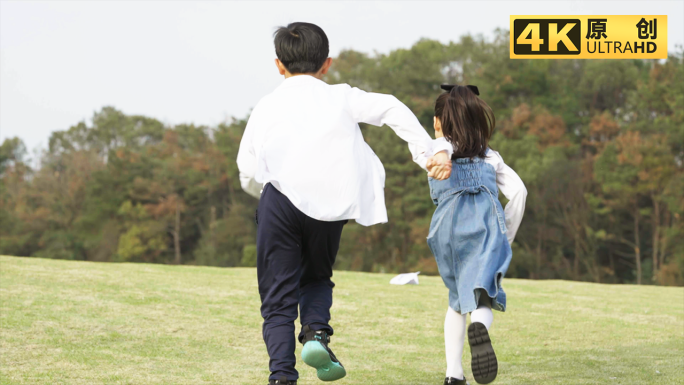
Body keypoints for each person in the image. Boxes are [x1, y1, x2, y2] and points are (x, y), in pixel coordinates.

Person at [236, 22, 454, 385]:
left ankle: (282, 376)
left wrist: (260, 194)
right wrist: (427, 152)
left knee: (278, 298)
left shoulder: (267, 105)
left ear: (279, 65)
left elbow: (246, 167)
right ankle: (317, 334)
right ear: (327, 64)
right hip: (329, 205)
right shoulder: (341, 95)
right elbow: (390, 108)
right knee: (317, 276)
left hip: (278, 203)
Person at [426, 84, 527, 385]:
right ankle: (479, 326)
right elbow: (519, 192)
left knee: (457, 299)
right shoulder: (490, 156)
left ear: (441, 124)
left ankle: (453, 375)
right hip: (484, 228)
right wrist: (505, 234)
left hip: (446, 230)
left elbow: (439, 150)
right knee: (483, 294)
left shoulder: (434, 153)